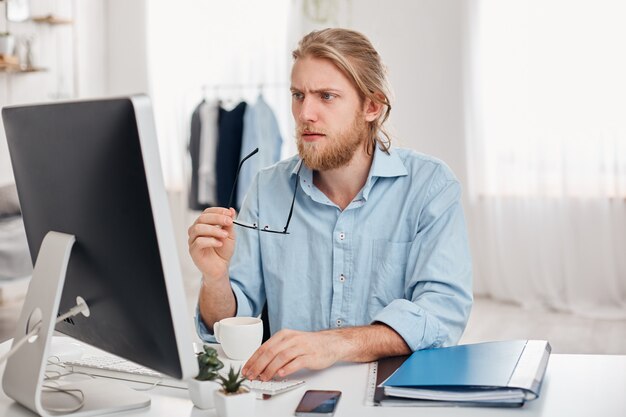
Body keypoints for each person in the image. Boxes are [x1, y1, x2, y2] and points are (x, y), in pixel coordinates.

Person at [188, 28, 472, 382]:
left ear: (372, 106)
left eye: (326, 96)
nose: (306, 113)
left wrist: (334, 344)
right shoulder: (266, 188)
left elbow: (442, 313)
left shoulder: (430, 186)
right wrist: (215, 278)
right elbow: (226, 325)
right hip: (292, 394)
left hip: (392, 393)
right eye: (298, 95)